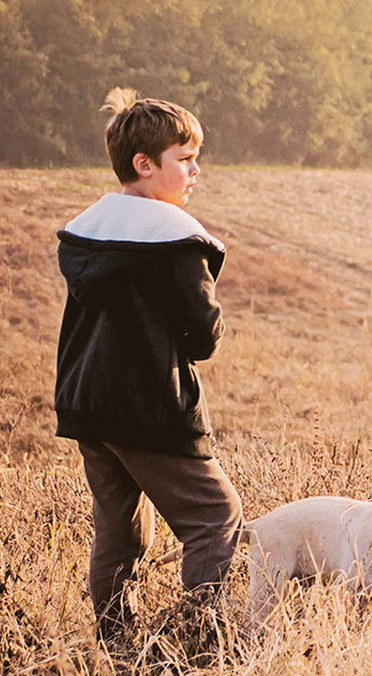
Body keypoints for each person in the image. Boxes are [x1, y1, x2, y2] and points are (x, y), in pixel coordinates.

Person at [54, 87, 242, 639]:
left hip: (89, 404)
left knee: (120, 532)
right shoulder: (177, 239)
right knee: (215, 518)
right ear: (144, 164)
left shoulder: (88, 232)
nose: (195, 171)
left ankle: (119, 645)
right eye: (184, 160)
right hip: (150, 408)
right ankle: (203, 643)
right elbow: (204, 337)